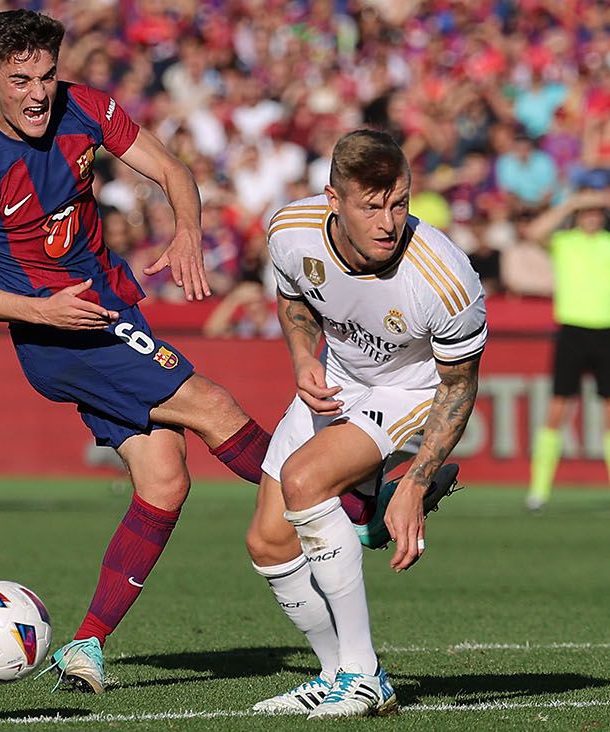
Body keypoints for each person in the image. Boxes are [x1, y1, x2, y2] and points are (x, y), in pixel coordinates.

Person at [0, 9, 273, 693]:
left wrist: (188, 233)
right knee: (212, 405)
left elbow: (172, 170)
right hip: (63, 331)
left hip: (107, 307)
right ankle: (361, 505)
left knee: (165, 481)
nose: (36, 93)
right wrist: (42, 310)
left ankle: (84, 645)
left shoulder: (85, 109)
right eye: (19, 79)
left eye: (46, 76)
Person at [245, 130, 486, 718]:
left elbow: (458, 387)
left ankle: (365, 675)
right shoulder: (290, 231)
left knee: (305, 481)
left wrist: (417, 481)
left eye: (400, 202)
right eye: (371, 205)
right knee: (270, 542)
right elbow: (296, 299)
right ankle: (334, 675)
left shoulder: (445, 279)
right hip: (339, 379)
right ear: (334, 200)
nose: (389, 220)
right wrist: (304, 358)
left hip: (411, 390)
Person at [525, 189, 610, 512]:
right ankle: (539, 491)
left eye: (596, 212)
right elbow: (534, 233)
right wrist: (571, 202)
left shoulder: (607, 242)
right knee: (558, 409)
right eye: (586, 212)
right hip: (573, 331)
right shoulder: (566, 242)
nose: (592, 217)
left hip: (606, 332)